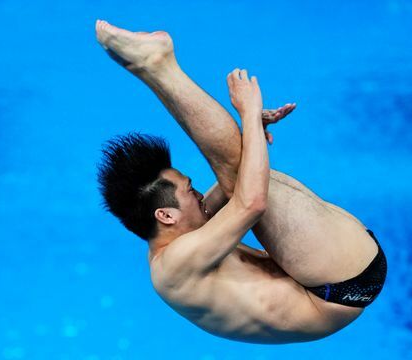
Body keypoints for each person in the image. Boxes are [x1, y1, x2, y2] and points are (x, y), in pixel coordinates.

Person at [95, 20, 387, 344]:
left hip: (330, 273)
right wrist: (249, 112)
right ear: (166, 215)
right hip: (337, 286)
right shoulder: (176, 266)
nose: (198, 195)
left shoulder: (182, 237)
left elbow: (236, 184)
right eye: (189, 191)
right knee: (236, 168)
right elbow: (251, 202)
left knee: (238, 166)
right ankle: (154, 65)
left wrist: (254, 135)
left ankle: (152, 65)